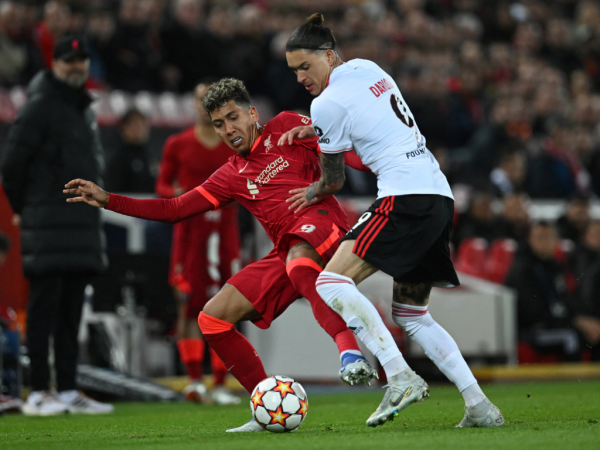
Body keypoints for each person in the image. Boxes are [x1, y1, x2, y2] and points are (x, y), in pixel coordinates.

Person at [63, 78, 376, 432]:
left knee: (298, 260)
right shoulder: (231, 174)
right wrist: (109, 200)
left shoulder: (287, 124)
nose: (228, 129)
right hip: (286, 248)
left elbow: (344, 148)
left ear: (253, 114)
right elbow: (174, 208)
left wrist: (376, 158)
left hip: (323, 223)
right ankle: (266, 407)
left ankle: (349, 351)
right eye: (218, 124)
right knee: (211, 318)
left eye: (233, 118)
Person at [280, 14, 503, 428]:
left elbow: (334, 180)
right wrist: (318, 131)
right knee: (412, 314)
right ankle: (479, 406)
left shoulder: (324, 103)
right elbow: (371, 121)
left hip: (404, 196)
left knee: (329, 282)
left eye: (305, 66)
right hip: (438, 195)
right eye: (293, 70)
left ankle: (400, 377)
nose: (300, 77)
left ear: (327, 55)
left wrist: (310, 191)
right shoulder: (367, 68)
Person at [0, 35, 113, 416]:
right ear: (54, 64)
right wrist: (25, 209)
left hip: (81, 226)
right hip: (47, 224)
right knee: (43, 312)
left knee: (70, 316)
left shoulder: (81, 108)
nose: (76, 67)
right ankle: (36, 392)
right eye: (69, 61)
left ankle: (66, 390)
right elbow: (12, 166)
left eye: (81, 61)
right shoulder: (38, 108)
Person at [155, 81, 241, 405]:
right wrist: (180, 198)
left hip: (226, 231)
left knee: (228, 305)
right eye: (200, 99)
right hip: (190, 233)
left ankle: (220, 383)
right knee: (187, 304)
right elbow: (162, 185)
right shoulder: (177, 144)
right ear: (193, 104)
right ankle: (194, 382)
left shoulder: (233, 142)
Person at [505, 222, 584, 360]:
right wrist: (571, 322)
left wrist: (579, 319)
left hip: (556, 324)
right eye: (540, 237)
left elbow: (567, 299)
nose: (545, 242)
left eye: (549, 237)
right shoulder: (522, 270)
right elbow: (533, 313)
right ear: (530, 240)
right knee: (571, 337)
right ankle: (572, 382)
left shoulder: (557, 268)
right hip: (531, 331)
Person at [105, 108, 155, 193]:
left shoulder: (150, 156)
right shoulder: (118, 158)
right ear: (124, 128)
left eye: (143, 124)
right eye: (135, 124)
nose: (140, 129)